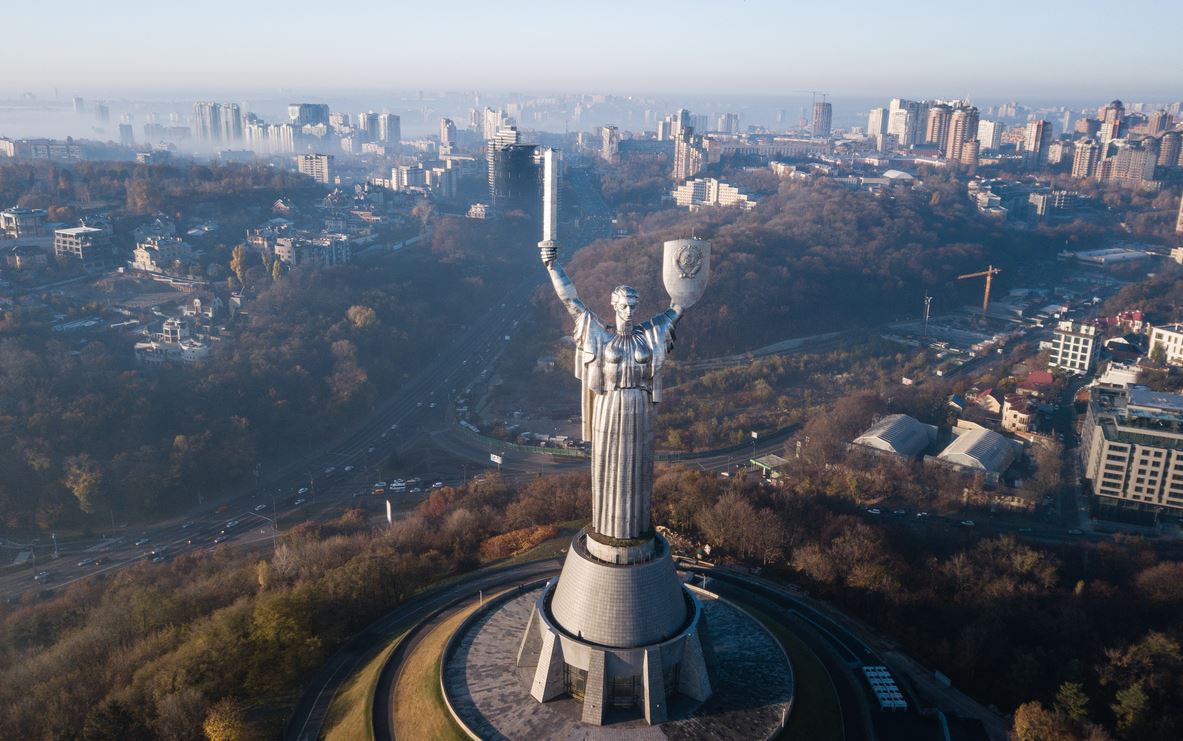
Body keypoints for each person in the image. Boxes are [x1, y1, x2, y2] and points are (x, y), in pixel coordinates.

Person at [541, 243, 682, 540]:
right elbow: (571, 300)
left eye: (633, 306)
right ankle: (607, 528)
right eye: (623, 306)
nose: (629, 311)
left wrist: (687, 283)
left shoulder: (650, 335)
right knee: (607, 463)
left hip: (640, 404)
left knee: (639, 464)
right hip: (609, 402)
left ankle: (635, 529)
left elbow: (677, 309)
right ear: (614, 306)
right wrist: (553, 267)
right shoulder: (600, 335)